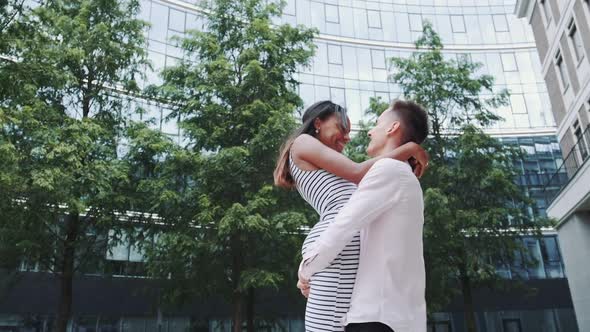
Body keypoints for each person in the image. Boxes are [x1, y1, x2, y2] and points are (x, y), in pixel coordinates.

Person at [273, 100, 428, 332]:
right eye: (341, 128)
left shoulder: (338, 165)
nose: (347, 138)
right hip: (334, 254)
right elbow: (357, 173)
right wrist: (408, 149)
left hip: (340, 257)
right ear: (318, 122)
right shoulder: (303, 142)